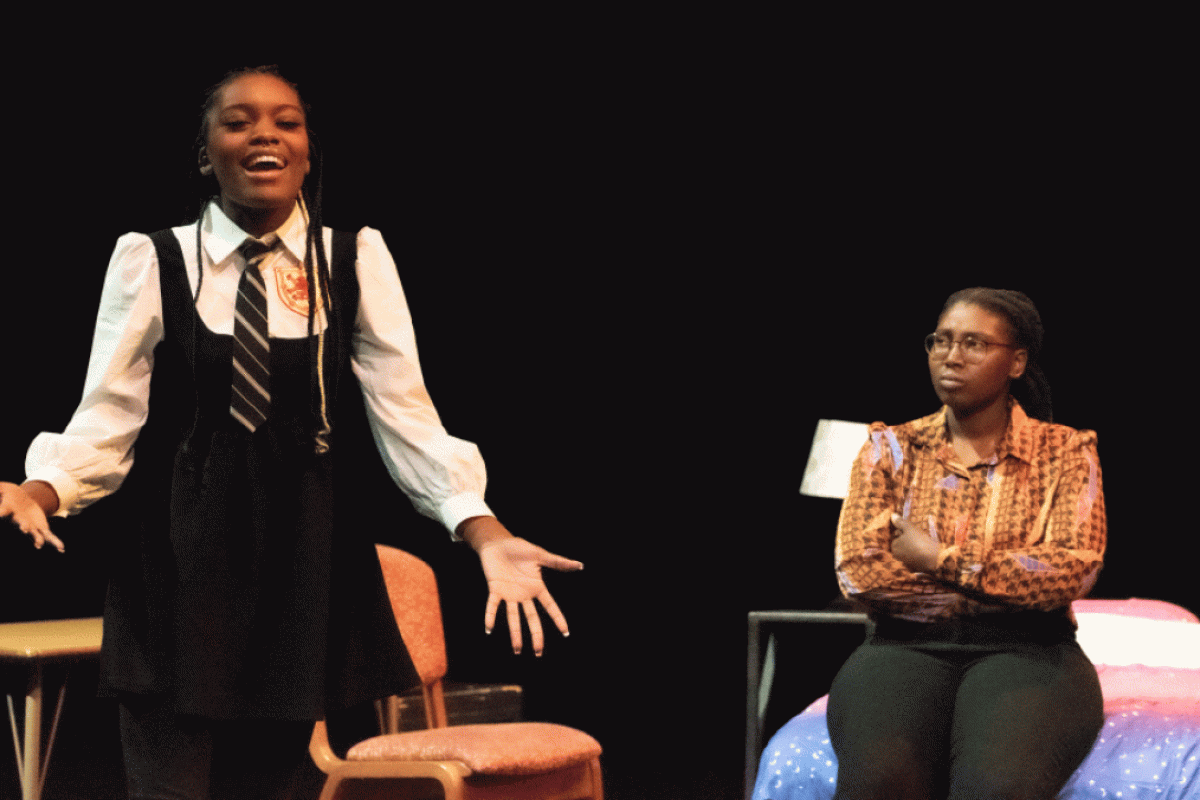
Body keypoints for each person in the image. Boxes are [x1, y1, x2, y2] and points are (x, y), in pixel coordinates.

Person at [0, 65, 582, 800]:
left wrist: (484, 530)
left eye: (287, 121)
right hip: (176, 569)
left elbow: (407, 415)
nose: (265, 133)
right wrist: (42, 490)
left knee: (278, 785)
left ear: (308, 148)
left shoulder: (353, 259)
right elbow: (108, 414)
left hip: (298, 568)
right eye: (238, 121)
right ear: (205, 152)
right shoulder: (155, 259)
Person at [827, 288, 1106, 799]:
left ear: (1016, 361)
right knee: (880, 782)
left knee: (996, 788)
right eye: (942, 341)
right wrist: (1006, 582)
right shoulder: (889, 448)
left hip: (1031, 650)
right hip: (902, 644)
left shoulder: (1066, 451)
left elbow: (1072, 571)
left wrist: (938, 559)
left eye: (975, 343)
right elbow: (860, 573)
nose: (952, 356)